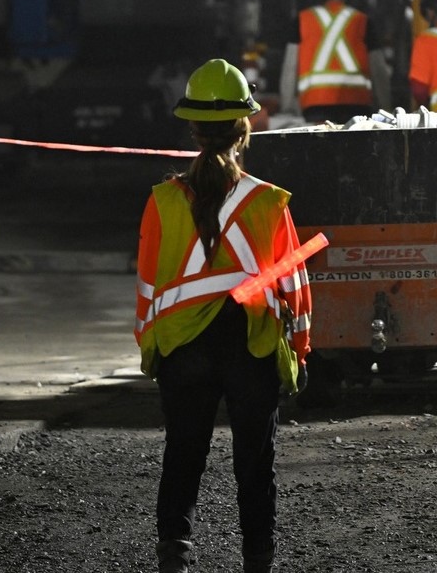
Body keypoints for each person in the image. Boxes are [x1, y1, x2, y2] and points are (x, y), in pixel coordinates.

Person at [134, 58, 313, 573]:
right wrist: (298, 354)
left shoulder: (162, 201)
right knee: (255, 466)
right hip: (250, 345)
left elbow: (149, 285)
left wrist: (152, 347)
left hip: (182, 348)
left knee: (183, 456)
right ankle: (258, 561)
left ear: (192, 129)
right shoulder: (270, 203)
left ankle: (175, 556)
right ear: (246, 127)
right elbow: (293, 289)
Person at [296, 0, 374, 123]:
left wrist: (288, 105)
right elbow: (378, 69)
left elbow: (290, 67)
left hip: (314, 106)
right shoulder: (363, 21)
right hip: (357, 105)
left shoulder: (303, 19)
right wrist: (384, 107)